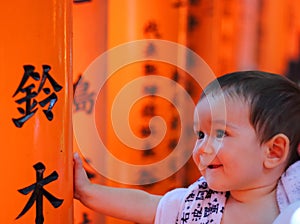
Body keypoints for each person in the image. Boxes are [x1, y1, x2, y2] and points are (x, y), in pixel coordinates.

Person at [73, 70, 300, 224]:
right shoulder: (199, 206)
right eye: (200, 135)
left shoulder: (294, 203)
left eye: (221, 134)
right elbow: (147, 205)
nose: (203, 148)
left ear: (274, 151)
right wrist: (88, 192)